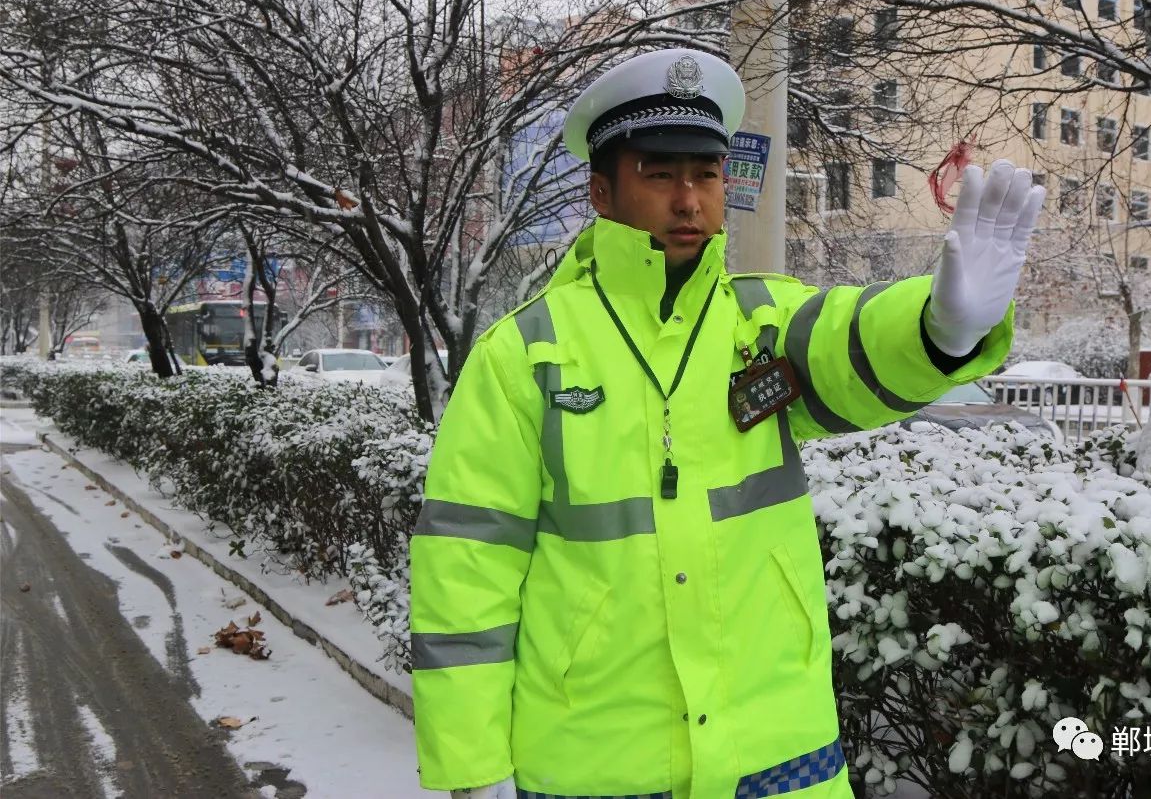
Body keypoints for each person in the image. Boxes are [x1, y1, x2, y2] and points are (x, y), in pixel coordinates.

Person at [411, 48, 1046, 799]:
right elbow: (466, 569)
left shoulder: (759, 323)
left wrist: (942, 329)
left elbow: (849, 337)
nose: (690, 200)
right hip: (599, 763)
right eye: (659, 173)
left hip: (779, 756)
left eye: (706, 174)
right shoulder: (525, 355)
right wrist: (473, 765)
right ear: (601, 192)